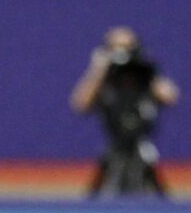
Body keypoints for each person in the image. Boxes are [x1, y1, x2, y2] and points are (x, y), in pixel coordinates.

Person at [71, 27, 179, 196]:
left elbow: (170, 96)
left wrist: (145, 70)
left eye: (128, 49)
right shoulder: (104, 82)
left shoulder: (144, 76)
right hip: (114, 149)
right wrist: (98, 70)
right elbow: (80, 104)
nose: (122, 55)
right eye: (115, 48)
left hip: (141, 149)